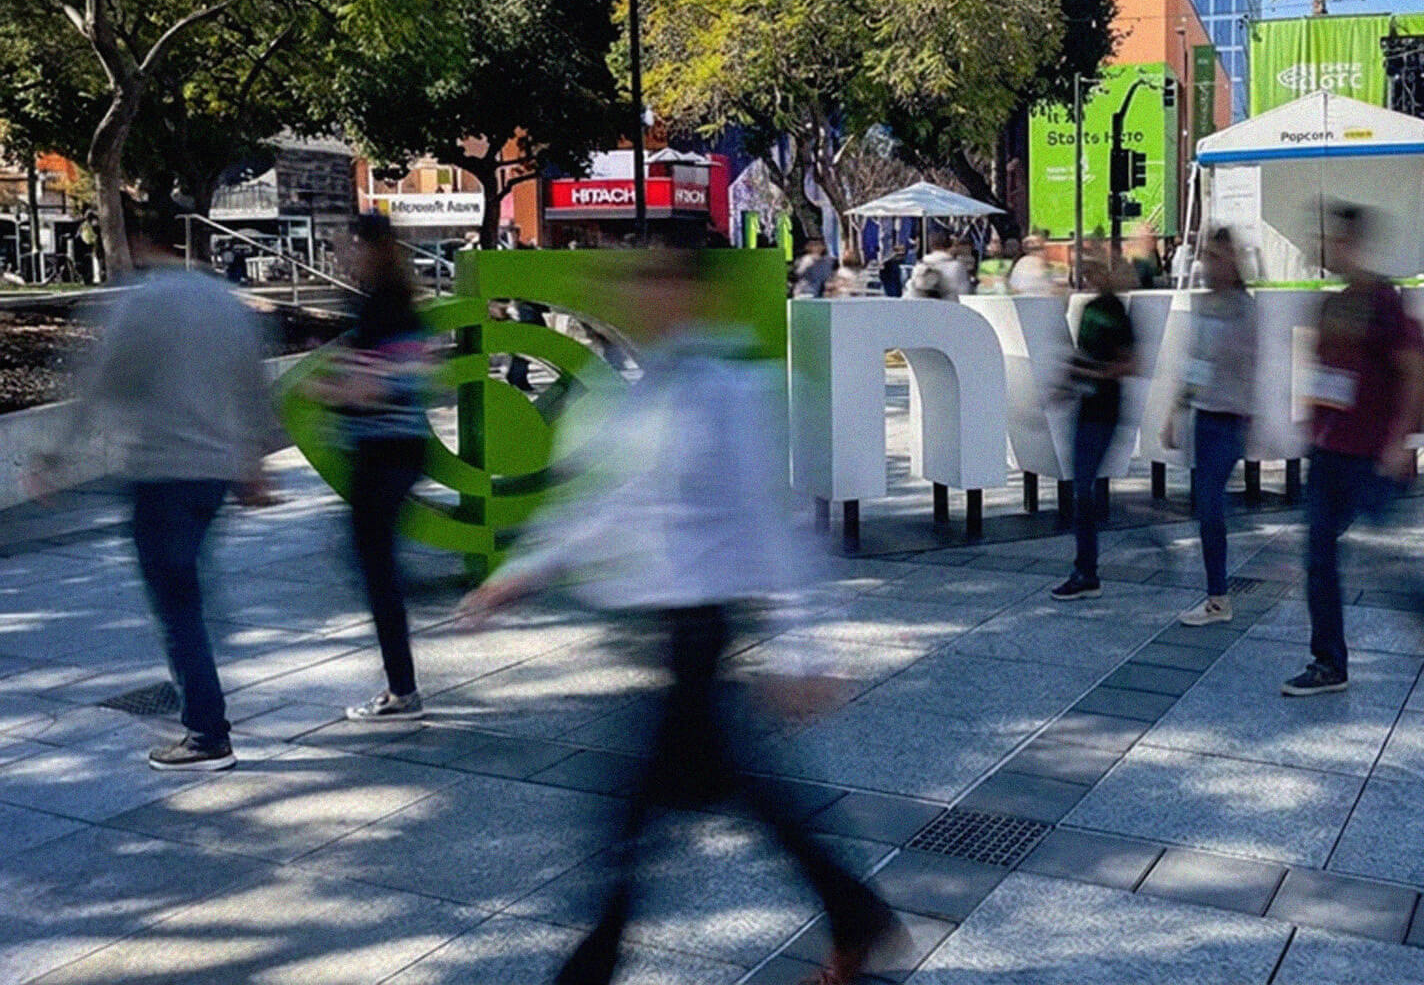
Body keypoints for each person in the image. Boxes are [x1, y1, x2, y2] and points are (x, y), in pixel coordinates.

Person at [456, 245, 901, 985]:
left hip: (701, 631)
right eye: (632, 287)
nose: (638, 302)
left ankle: (592, 966)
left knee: (629, 817)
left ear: (694, 296)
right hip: (668, 632)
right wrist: (520, 576)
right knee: (752, 797)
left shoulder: (733, 390)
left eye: (656, 285)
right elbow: (610, 506)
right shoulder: (646, 390)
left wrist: (802, 651)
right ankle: (858, 916)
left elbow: (778, 524)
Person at [25, 235, 276, 770]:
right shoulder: (223, 301)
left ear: (139, 240)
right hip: (214, 474)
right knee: (188, 586)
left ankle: (206, 732)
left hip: (161, 472)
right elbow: (254, 384)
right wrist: (255, 458)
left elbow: (98, 383)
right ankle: (202, 674)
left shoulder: (139, 302)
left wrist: (54, 456)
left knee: (176, 603)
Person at [1285, 204, 1424, 697]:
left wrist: (1400, 441)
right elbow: (1322, 374)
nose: (1322, 247)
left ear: (1352, 243)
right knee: (1319, 556)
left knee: (1383, 556)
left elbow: (1416, 371)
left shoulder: (1384, 301)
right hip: (1328, 451)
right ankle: (1328, 663)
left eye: (1331, 239)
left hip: (1369, 453)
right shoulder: (1330, 304)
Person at [302, 213, 438, 721]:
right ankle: (401, 683)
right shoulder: (384, 302)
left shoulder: (388, 305)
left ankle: (403, 691)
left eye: (350, 244)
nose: (343, 252)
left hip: (386, 452)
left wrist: (329, 390)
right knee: (373, 566)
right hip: (388, 451)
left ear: (373, 246)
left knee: (376, 570)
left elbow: (391, 383)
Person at [1163, 228, 1257, 626]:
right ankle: (1216, 595)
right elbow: (1196, 364)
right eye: (1208, 256)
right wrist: (1177, 409)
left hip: (1231, 417)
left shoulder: (1246, 309)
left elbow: (1256, 367)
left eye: (1218, 257)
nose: (1209, 265)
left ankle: (1218, 598)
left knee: (1210, 505)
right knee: (1206, 507)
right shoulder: (1204, 306)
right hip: (1205, 415)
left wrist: (1256, 417)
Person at [1050, 253, 1135, 600]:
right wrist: (1067, 384)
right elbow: (1081, 355)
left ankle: (1086, 571)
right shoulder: (1087, 311)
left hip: (1104, 408)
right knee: (1081, 489)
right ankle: (1085, 568)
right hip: (1085, 407)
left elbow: (1128, 362)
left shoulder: (1116, 311)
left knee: (1083, 489)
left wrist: (1093, 375)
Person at [907, 231, 969, 299]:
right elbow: (963, 293)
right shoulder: (956, 267)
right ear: (950, 247)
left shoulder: (920, 265)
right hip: (948, 307)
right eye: (955, 246)